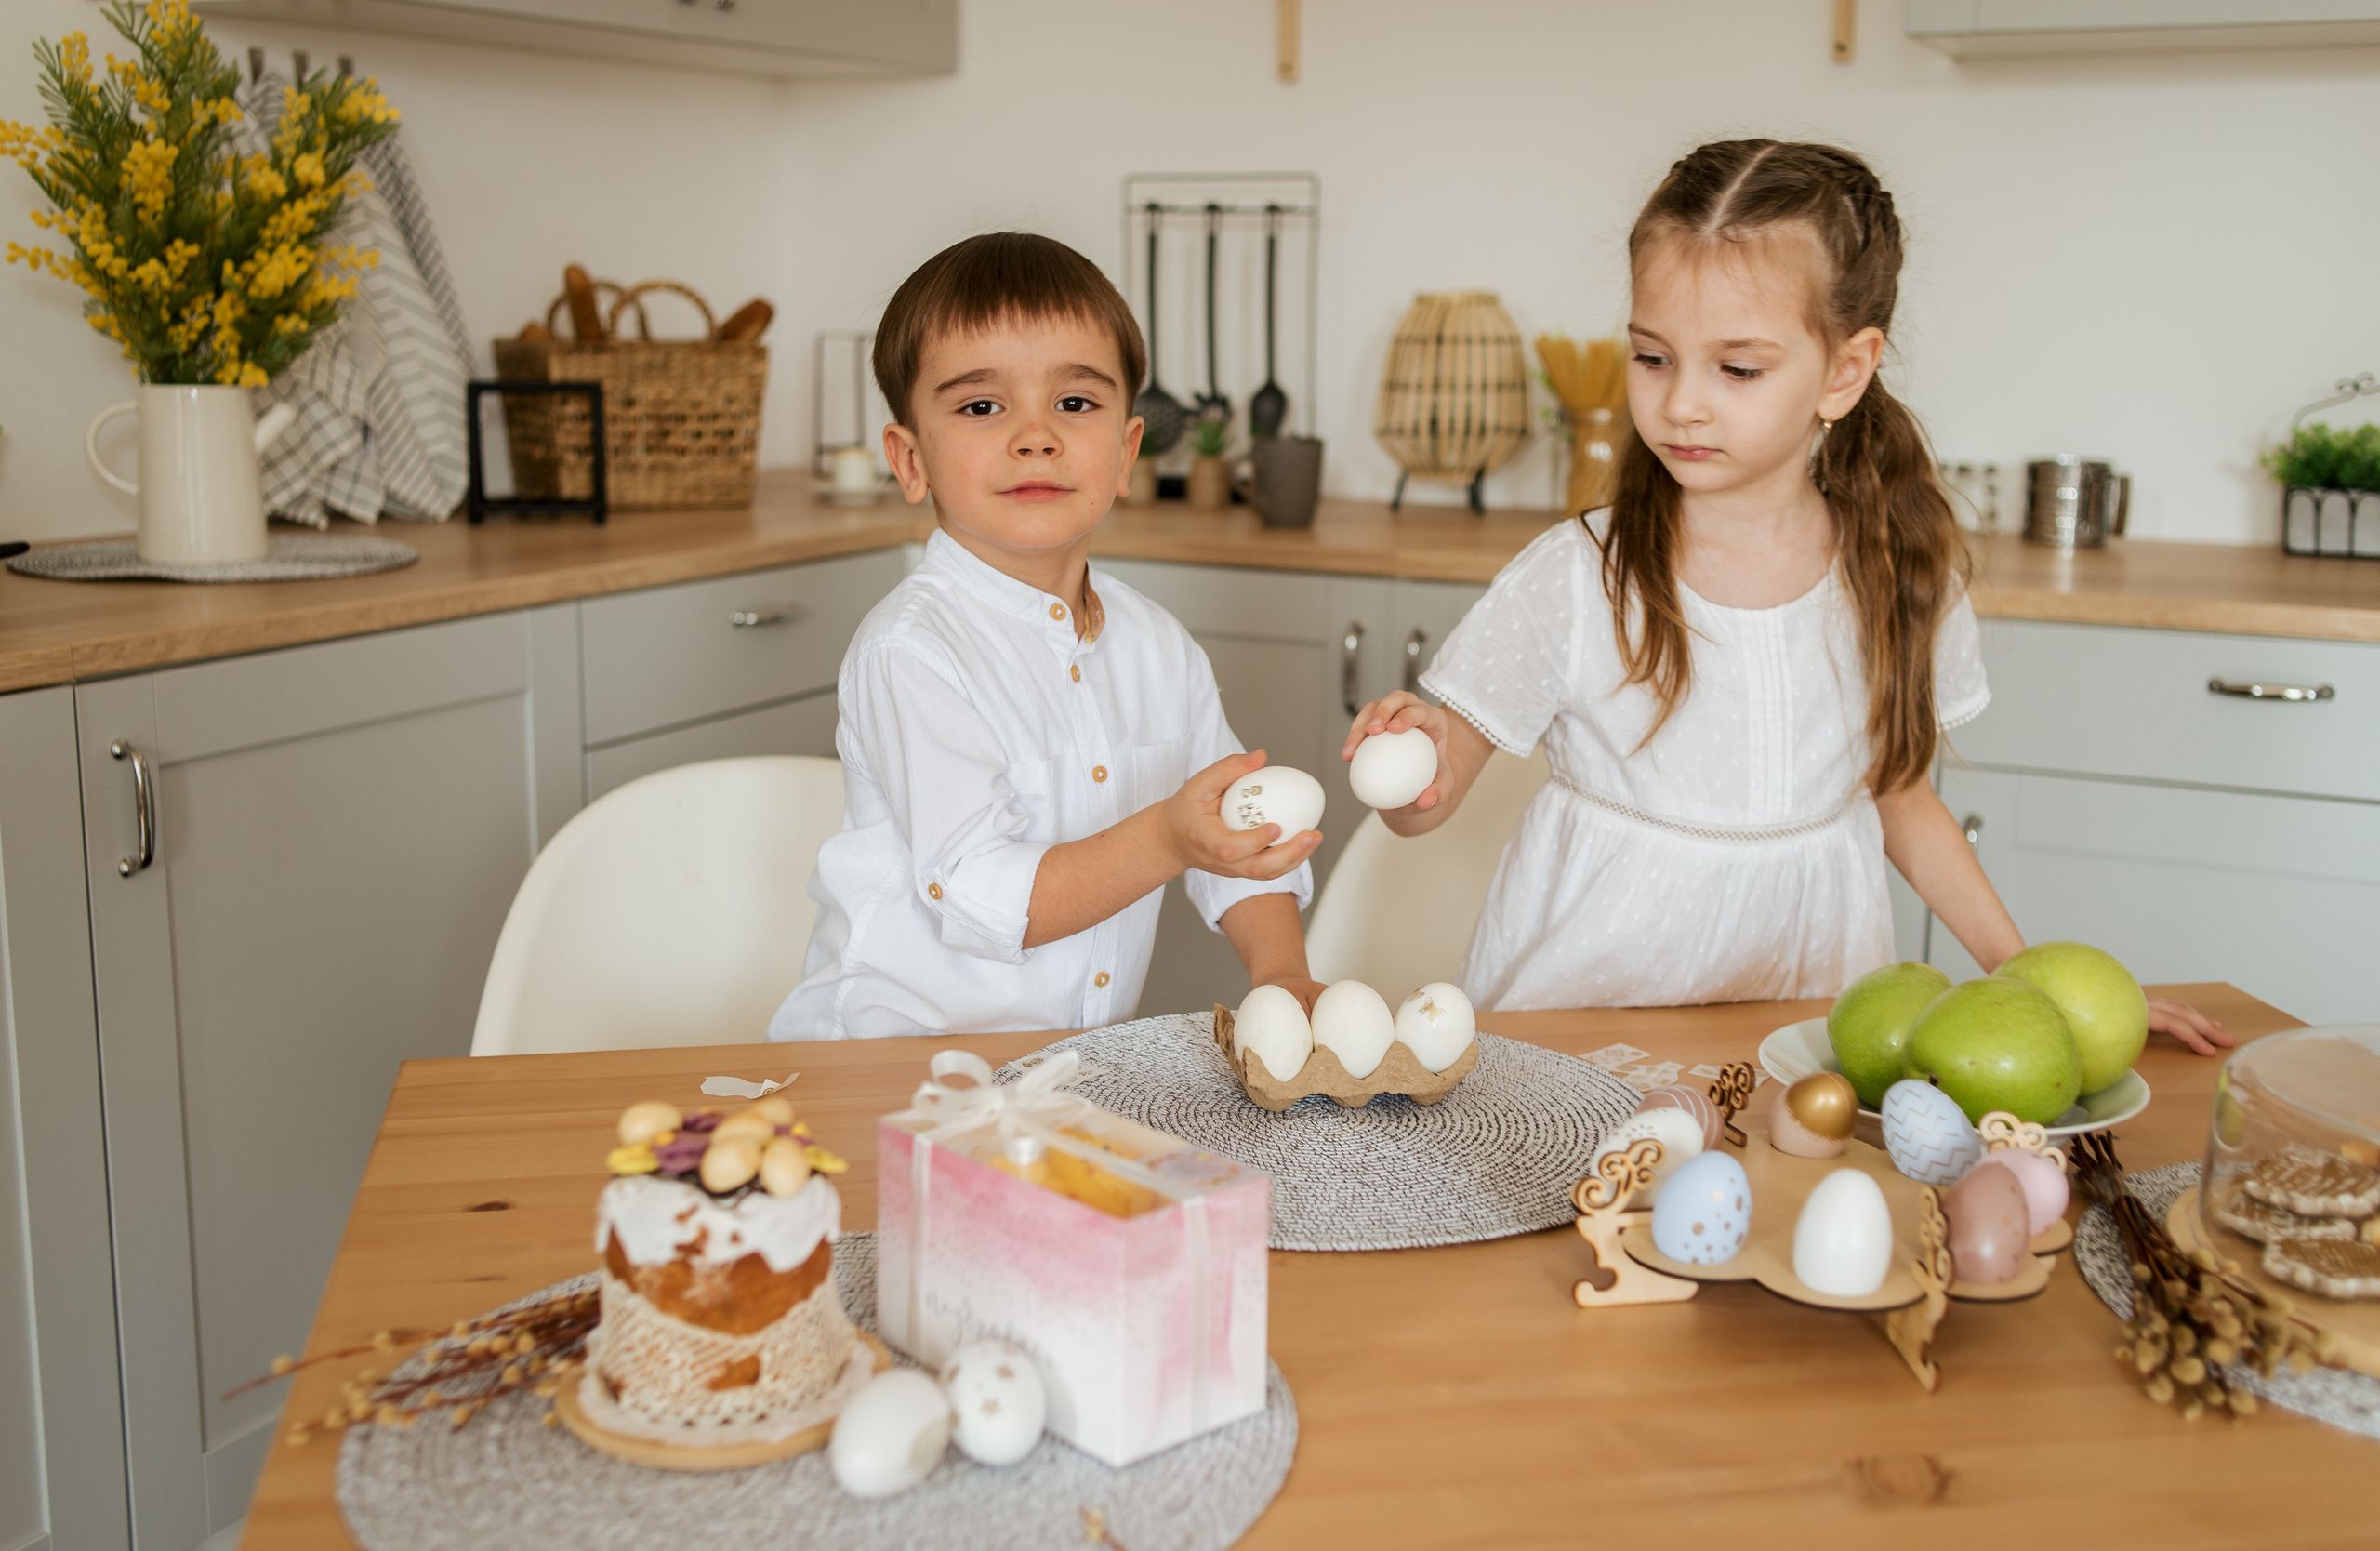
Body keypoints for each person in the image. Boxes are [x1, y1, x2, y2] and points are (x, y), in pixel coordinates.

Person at [1343, 139, 2229, 1055]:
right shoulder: (1574, 576)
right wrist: (1410, 760)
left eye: (1736, 369)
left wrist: (2035, 986)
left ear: (1844, 372)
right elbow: (1423, 805)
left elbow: (1901, 795)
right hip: (1578, 1031)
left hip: (1800, 1030)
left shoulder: (1896, 573)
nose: (1682, 403)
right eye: (1653, 357)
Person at [770, 232, 1322, 1041]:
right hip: (889, 1067)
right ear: (910, 459)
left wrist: (1284, 976)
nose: (1037, 435)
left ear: (1127, 451)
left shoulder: (1159, 648)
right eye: (981, 406)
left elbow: (1232, 830)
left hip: (1062, 1075)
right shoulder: (911, 651)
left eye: (1075, 402)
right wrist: (1167, 837)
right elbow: (983, 895)